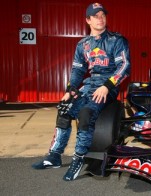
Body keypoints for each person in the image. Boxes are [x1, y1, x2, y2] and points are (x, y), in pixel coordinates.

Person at [32, 2, 131, 182]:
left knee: (85, 114)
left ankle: (78, 159)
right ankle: (54, 155)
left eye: (103, 15)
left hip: (107, 87)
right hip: (89, 84)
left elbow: (124, 67)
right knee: (64, 108)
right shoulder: (83, 44)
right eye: (95, 16)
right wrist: (70, 90)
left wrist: (107, 86)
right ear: (88, 20)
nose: (100, 18)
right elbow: (77, 70)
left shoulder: (117, 40)